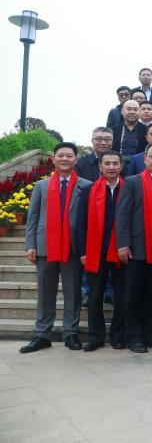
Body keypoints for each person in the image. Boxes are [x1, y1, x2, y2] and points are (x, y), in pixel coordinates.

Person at [20, 143, 92, 354]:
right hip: (45, 247)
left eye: (69, 155)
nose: (65, 159)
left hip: (73, 248)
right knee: (45, 293)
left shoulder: (86, 186)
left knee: (73, 293)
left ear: (75, 160)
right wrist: (30, 245)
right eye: (61, 155)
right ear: (53, 159)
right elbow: (33, 217)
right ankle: (42, 334)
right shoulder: (41, 186)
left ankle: (71, 333)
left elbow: (89, 220)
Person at [116, 143, 152, 353]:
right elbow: (123, 215)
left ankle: (150, 335)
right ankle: (134, 337)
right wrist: (123, 244)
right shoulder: (132, 182)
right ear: (145, 159)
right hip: (136, 248)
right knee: (132, 295)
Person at [76, 150, 125, 351]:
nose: (111, 167)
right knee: (95, 295)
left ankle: (118, 336)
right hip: (96, 251)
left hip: (121, 251)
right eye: (107, 163)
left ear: (121, 166)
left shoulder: (129, 187)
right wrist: (82, 252)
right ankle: (95, 337)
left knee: (122, 296)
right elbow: (81, 223)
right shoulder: (89, 190)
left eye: (115, 163)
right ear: (100, 166)